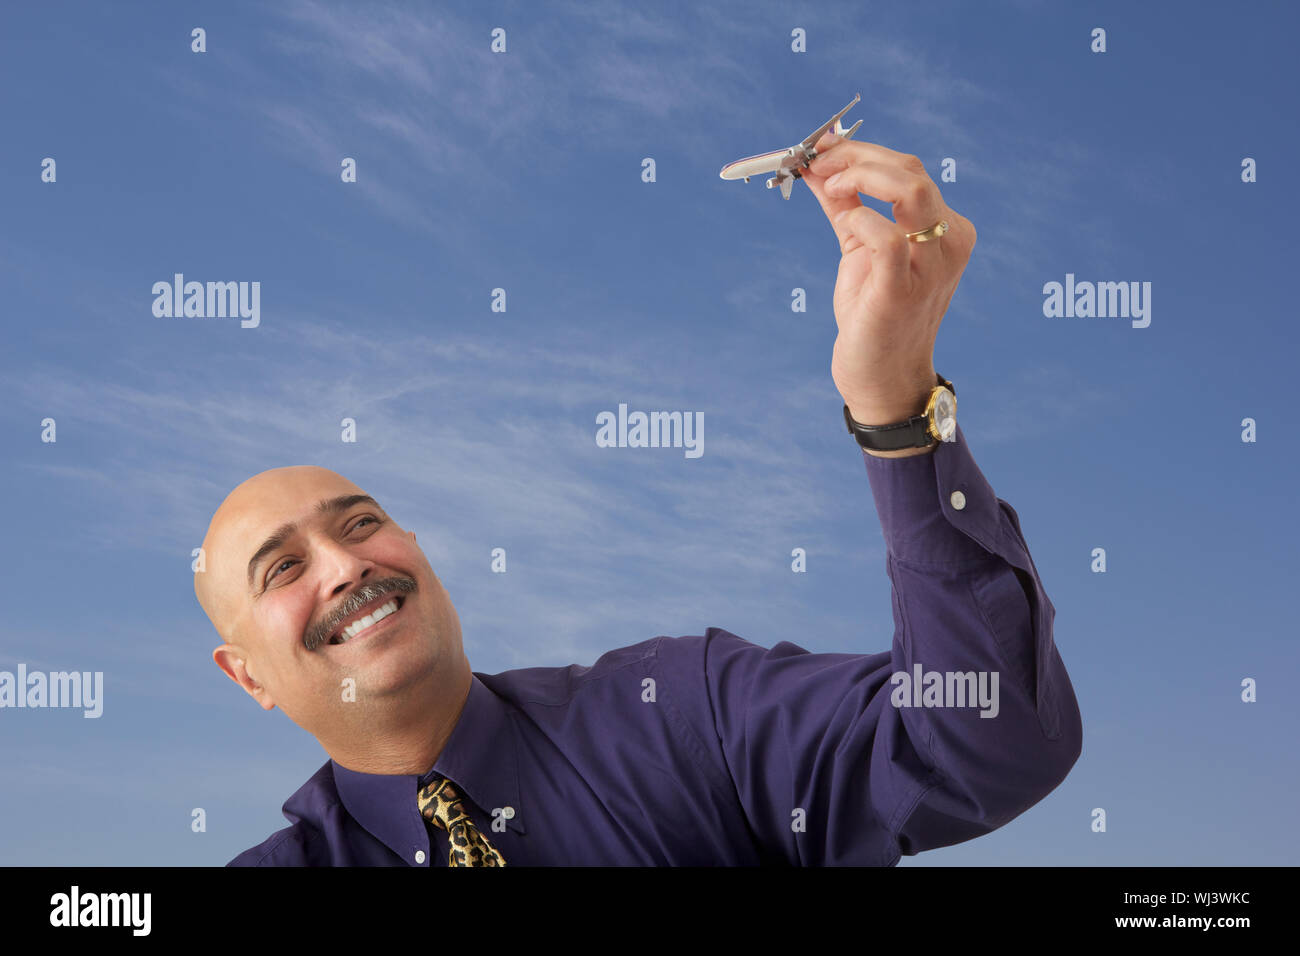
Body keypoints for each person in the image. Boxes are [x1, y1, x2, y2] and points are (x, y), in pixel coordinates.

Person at [196, 132, 1081, 865]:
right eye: (282, 568)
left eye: (362, 523)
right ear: (246, 675)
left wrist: (895, 412)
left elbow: (984, 748)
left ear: (416, 548)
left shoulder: (683, 712)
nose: (348, 562)